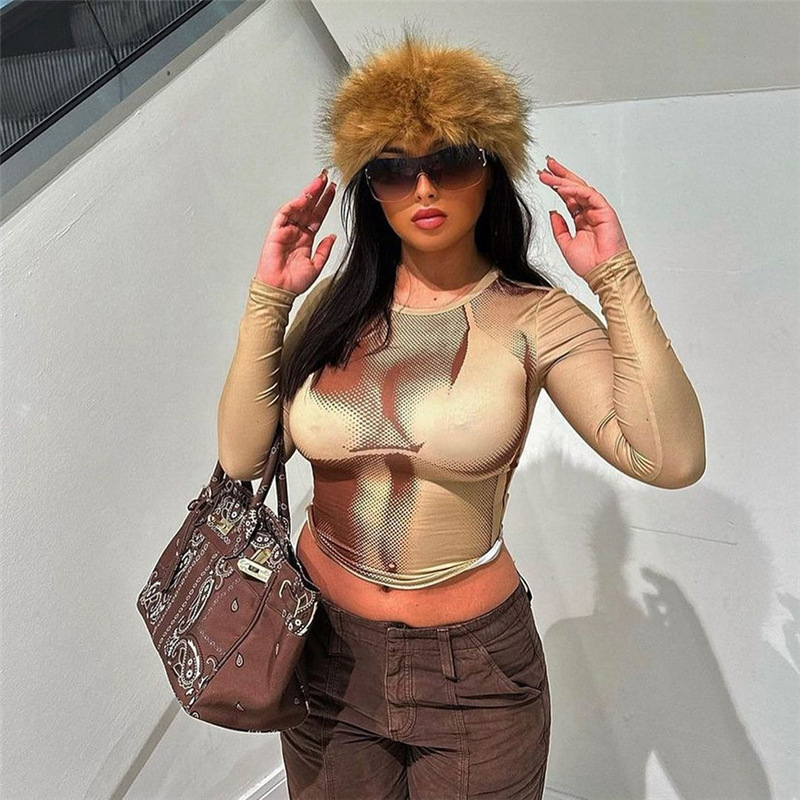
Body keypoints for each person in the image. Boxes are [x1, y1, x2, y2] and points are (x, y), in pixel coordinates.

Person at [217, 26, 705, 800]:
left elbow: (670, 459)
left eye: (449, 162)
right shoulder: (335, 310)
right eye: (393, 169)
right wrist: (269, 300)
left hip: (472, 673)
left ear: (491, 170)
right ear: (369, 188)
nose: (423, 189)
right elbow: (244, 459)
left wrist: (615, 275)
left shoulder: (534, 318)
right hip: (322, 649)